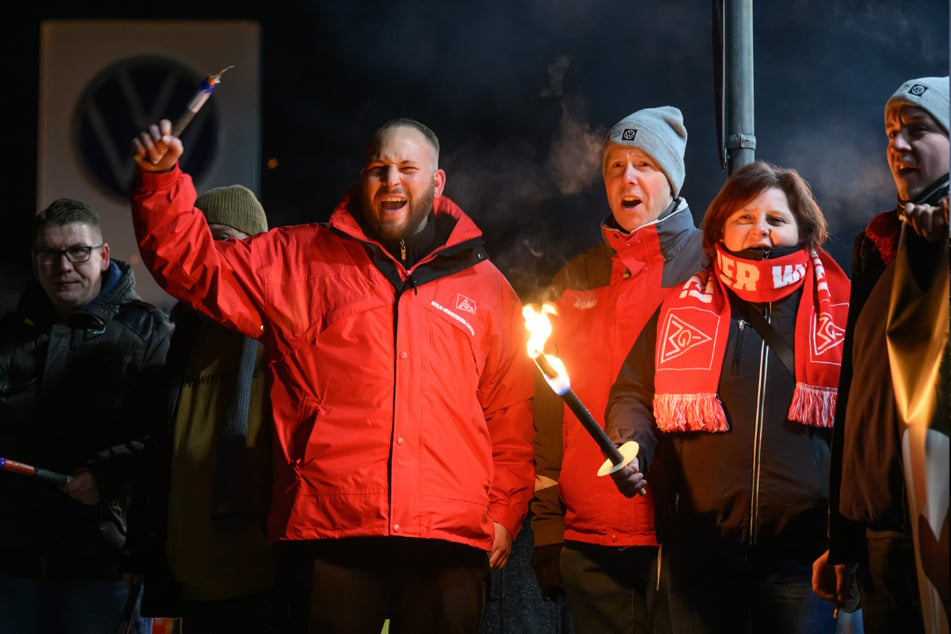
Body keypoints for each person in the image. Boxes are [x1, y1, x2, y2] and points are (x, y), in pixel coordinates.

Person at [129, 116, 535, 633]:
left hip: (448, 538)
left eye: (408, 168)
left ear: (436, 183)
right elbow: (195, 265)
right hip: (329, 532)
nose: (391, 181)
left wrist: (504, 510)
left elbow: (509, 411)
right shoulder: (297, 260)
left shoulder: (486, 287)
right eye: (377, 168)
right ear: (361, 177)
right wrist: (161, 182)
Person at [604, 160, 851, 634]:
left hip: (805, 561)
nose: (761, 230)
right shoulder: (680, 306)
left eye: (776, 220)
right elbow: (633, 391)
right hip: (701, 558)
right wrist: (631, 442)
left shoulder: (841, 312)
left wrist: (847, 540)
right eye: (745, 218)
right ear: (721, 228)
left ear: (803, 228)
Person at [530, 106, 703, 633]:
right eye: (615, 166)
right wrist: (547, 527)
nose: (627, 178)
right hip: (591, 542)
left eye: (644, 165)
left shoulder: (710, 265)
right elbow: (546, 414)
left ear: (671, 178)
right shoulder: (576, 276)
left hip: (684, 541)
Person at [813, 75, 949, 634]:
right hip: (884, 535)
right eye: (890, 133)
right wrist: (843, 542)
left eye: (917, 131)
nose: (897, 145)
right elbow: (856, 399)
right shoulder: (880, 244)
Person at [0, 198, 172, 633]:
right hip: (15, 568)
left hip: (106, 569)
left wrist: (109, 474)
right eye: (50, 254)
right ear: (35, 262)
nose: (64, 266)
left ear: (103, 256)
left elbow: (171, 437)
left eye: (77, 251)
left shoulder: (149, 333)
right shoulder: (8, 337)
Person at [129, 184, 276, 633]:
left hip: (264, 585)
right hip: (192, 582)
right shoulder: (179, 335)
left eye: (227, 242)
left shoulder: (281, 335)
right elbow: (157, 455)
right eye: (204, 242)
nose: (215, 257)